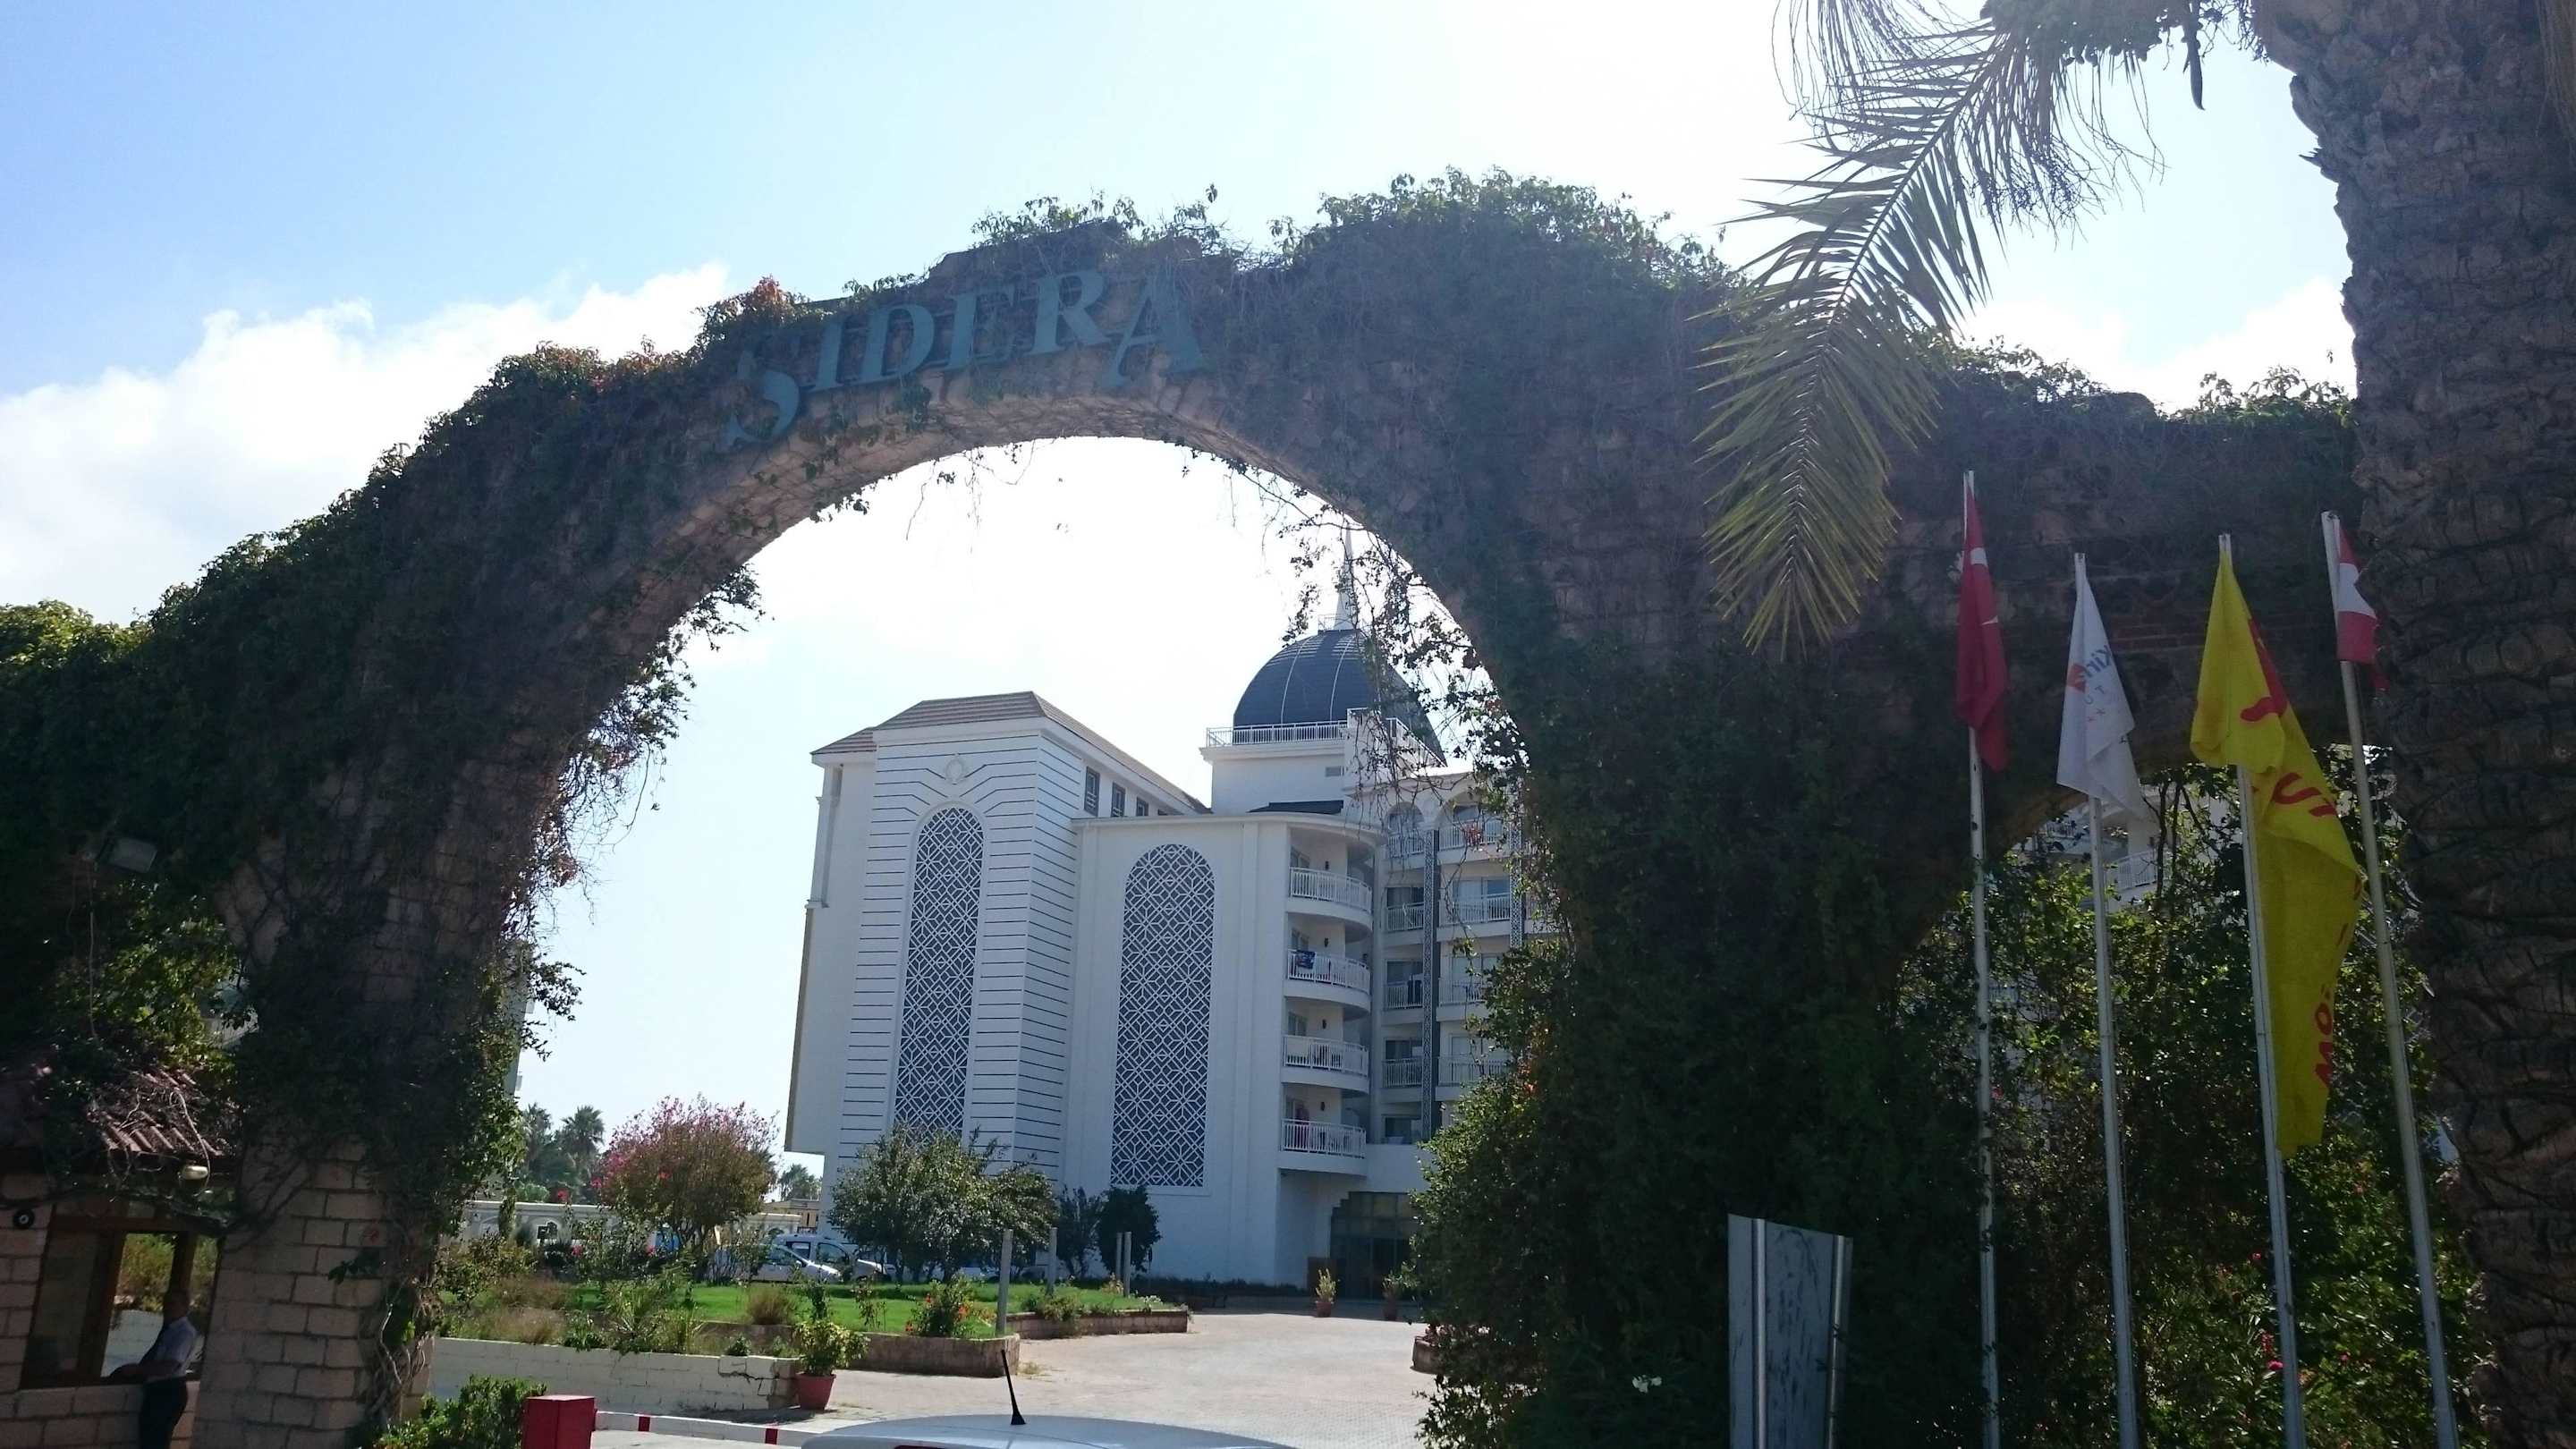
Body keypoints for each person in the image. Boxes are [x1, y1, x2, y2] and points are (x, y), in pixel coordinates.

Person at [107, 1292, 197, 1449]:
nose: (167, 1308)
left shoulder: (184, 1332)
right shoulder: (169, 1330)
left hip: (168, 1391)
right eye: (166, 1303)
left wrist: (137, 1370)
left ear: (184, 1307)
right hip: (157, 1391)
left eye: (173, 1304)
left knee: (155, 1442)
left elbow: (169, 1366)